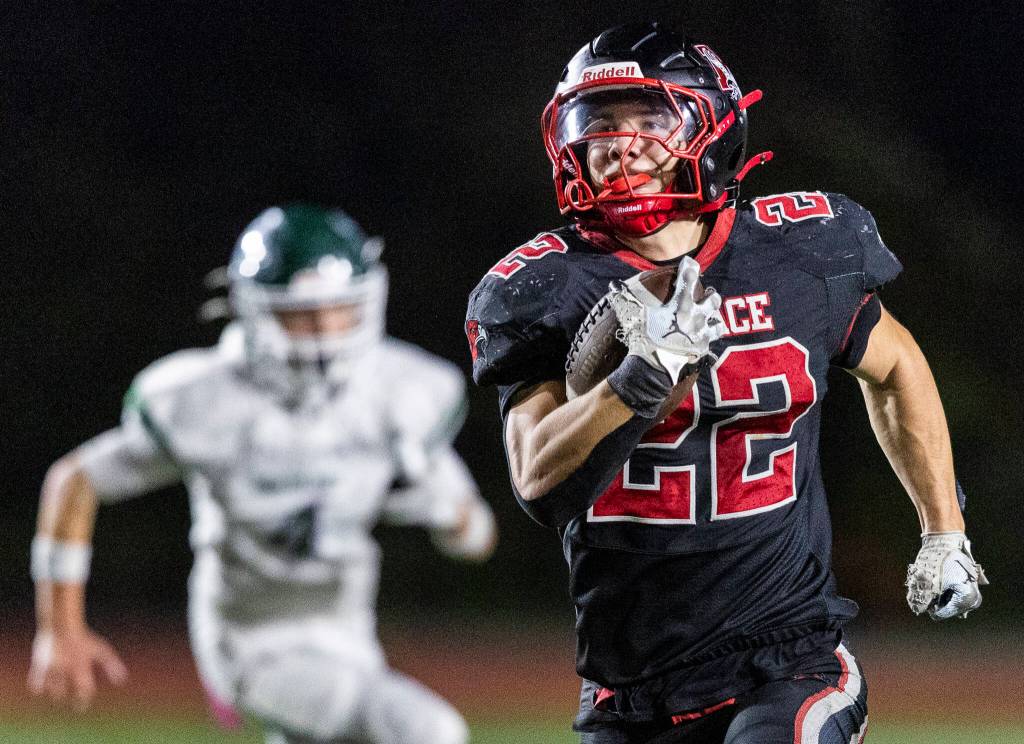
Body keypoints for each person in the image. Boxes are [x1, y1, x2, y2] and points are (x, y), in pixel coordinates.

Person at [465, 22, 986, 744]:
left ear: (711, 128)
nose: (621, 143)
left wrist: (943, 531)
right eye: (599, 122)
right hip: (630, 692)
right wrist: (636, 384)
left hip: (788, 662)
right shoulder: (542, 285)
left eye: (651, 119)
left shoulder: (799, 252)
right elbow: (538, 480)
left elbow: (896, 367)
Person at [29, 204, 496, 744]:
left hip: (348, 632)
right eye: (299, 315)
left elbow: (477, 539)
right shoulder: (207, 399)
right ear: (251, 311)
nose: (323, 332)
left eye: (339, 310)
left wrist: (451, 515)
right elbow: (77, 479)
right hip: (247, 640)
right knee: (427, 731)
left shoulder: (398, 394)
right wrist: (58, 629)